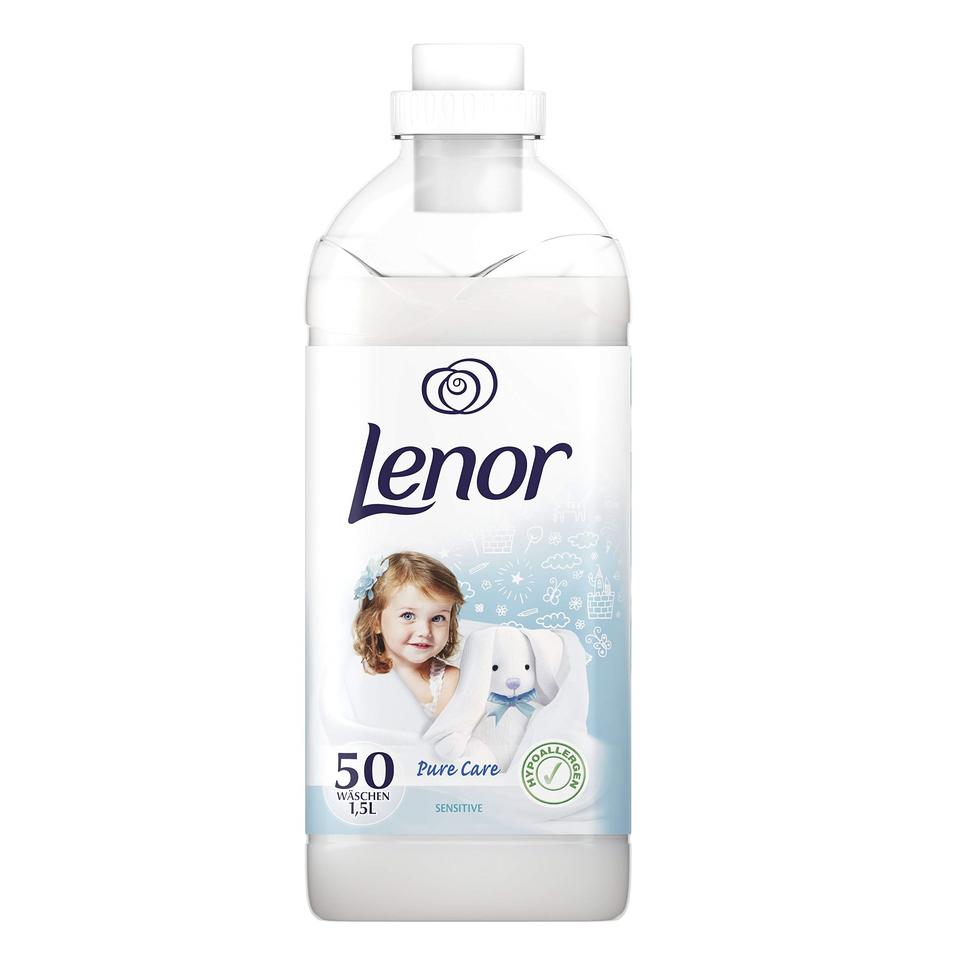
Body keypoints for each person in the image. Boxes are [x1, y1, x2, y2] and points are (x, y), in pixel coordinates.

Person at [352, 552, 464, 718]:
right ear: (376, 622)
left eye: (438, 618)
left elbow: (444, 732)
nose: (425, 631)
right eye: (408, 616)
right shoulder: (360, 674)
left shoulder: (449, 681)